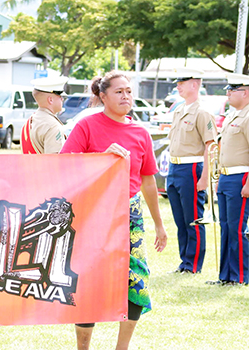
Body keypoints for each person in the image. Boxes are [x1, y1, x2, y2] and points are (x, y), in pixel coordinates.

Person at [60, 71, 167, 350]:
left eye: (129, 91)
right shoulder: (86, 127)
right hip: (93, 212)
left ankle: (123, 347)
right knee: (88, 279)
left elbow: (147, 180)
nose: (126, 97)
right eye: (119, 91)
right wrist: (103, 157)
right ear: (103, 96)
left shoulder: (141, 132)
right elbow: (65, 165)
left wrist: (158, 223)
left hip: (130, 215)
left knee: (136, 280)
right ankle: (83, 347)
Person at [167, 67, 217, 274]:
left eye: (182, 82)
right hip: (174, 167)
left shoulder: (203, 112)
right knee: (180, 219)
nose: (178, 86)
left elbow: (210, 146)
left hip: (192, 167)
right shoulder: (178, 110)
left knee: (192, 218)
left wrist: (204, 178)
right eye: (177, 82)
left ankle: (193, 264)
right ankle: (184, 262)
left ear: (194, 84)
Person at [206, 73, 249, 286]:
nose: (228, 93)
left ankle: (241, 275)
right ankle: (226, 275)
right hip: (226, 177)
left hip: (241, 178)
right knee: (225, 226)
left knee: (236, 228)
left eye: (233, 89)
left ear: (246, 92)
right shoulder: (233, 115)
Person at [21, 76, 69, 154]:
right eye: (60, 96)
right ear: (50, 100)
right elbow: (54, 162)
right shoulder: (53, 126)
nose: (62, 99)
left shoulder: (30, 121)